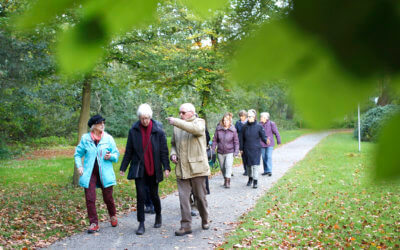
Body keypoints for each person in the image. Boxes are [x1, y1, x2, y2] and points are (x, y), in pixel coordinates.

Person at [119, 104, 171, 235]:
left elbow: (164, 151)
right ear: (139, 118)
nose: (145, 121)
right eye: (142, 118)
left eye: (147, 118)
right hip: (139, 168)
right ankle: (141, 223)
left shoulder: (158, 131)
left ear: (150, 117)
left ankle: (158, 214)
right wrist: (123, 167)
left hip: (154, 168)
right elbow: (129, 151)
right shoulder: (134, 131)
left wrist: (166, 167)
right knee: (141, 196)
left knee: (154, 195)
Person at [166, 103, 210, 236]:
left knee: (200, 198)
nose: (180, 115)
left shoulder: (200, 122)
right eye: (179, 112)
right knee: (183, 199)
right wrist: (173, 153)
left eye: (183, 113)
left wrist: (177, 122)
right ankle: (186, 226)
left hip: (197, 168)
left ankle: (205, 219)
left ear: (191, 112)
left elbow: (194, 130)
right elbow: (173, 144)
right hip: (182, 168)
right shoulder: (177, 127)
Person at [74, 114, 120, 234]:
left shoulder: (108, 138)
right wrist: (79, 166)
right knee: (90, 198)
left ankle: (113, 215)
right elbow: (78, 154)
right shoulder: (85, 139)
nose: (102, 125)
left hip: (105, 173)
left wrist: (111, 156)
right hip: (90, 173)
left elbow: (116, 154)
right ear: (93, 126)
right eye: (100, 123)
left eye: (103, 123)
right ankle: (94, 223)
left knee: (108, 198)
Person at [239, 109, 269, 189]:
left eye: (251, 116)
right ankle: (250, 178)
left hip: (256, 149)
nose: (249, 118)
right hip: (247, 149)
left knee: (255, 165)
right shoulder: (244, 127)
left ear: (254, 117)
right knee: (248, 166)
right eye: (248, 116)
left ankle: (255, 181)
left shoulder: (259, 126)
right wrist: (241, 149)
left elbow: (263, 136)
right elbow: (241, 138)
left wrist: (266, 140)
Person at [211, 113, 239, 188]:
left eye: (227, 120)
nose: (225, 122)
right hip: (220, 152)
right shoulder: (218, 129)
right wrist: (212, 149)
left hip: (230, 151)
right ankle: (225, 178)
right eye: (224, 120)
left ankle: (227, 182)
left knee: (228, 166)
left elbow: (236, 142)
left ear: (230, 121)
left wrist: (236, 152)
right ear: (222, 121)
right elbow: (214, 140)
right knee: (223, 168)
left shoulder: (233, 130)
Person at [260, 112, 281, 176]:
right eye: (260, 117)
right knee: (264, 157)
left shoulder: (272, 124)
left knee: (268, 156)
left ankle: (269, 171)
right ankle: (265, 170)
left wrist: (278, 141)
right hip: (262, 143)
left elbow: (276, 132)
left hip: (270, 143)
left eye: (261, 117)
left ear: (265, 118)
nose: (260, 118)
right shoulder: (259, 124)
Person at [235, 110, 248, 175]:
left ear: (245, 116)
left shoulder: (249, 122)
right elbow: (235, 132)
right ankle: (246, 170)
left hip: (248, 141)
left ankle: (249, 170)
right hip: (241, 141)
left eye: (242, 116)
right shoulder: (238, 123)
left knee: (248, 156)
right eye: (240, 116)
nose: (241, 117)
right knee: (243, 156)